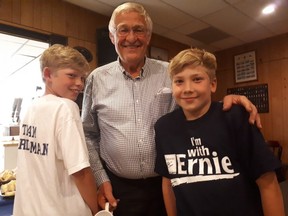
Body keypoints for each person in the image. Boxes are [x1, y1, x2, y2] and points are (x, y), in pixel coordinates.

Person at [82, 2, 261, 216]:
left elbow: (195, 107)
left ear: (148, 36)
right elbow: (89, 134)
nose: (131, 37)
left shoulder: (171, 73)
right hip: (120, 189)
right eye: (123, 30)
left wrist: (227, 102)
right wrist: (101, 179)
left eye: (139, 29)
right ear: (112, 37)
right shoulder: (96, 79)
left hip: (172, 183)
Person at [154, 48, 285, 216]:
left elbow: (268, 182)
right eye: (179, 81)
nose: (187, 88)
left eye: (197, 79)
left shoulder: (236, 117)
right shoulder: (164, 127)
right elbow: (168, 182)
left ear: (213, 84)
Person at [13, 44, 99, 216]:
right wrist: (97, 211)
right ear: (47, 74)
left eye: (82, 78)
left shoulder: (31, 108)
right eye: (72, 76)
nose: (79, 84)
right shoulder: (66, 108)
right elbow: (80, 172)